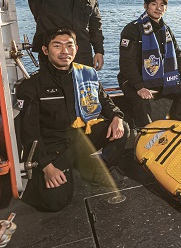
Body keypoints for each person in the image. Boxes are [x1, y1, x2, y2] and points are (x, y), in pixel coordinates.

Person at [17, 28, 129, 212]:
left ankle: (95, 171)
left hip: (84, 134)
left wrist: (117, 116)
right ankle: (57, 172)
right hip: (55, 145)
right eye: (57, 46)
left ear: (76, 49)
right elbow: (29, 132)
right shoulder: (32, 86)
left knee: (122, 127)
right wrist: (46, 167)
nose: (64, 51)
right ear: (45, 50)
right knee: (55, 203)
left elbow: (105, 102)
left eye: (69, 46)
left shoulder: (86, 74)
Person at [118, 0, 181, 127]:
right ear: (145, 6)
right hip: (133, 79)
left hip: (159, 77)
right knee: (141, 101)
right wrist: (139, 86)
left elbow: (177, 55)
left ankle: (175, 126)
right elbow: (126, 63)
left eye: (162, 5)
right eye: (154, 4)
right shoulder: (132, 29)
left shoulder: (166, 30)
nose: (158, 8)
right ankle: (146, 133)